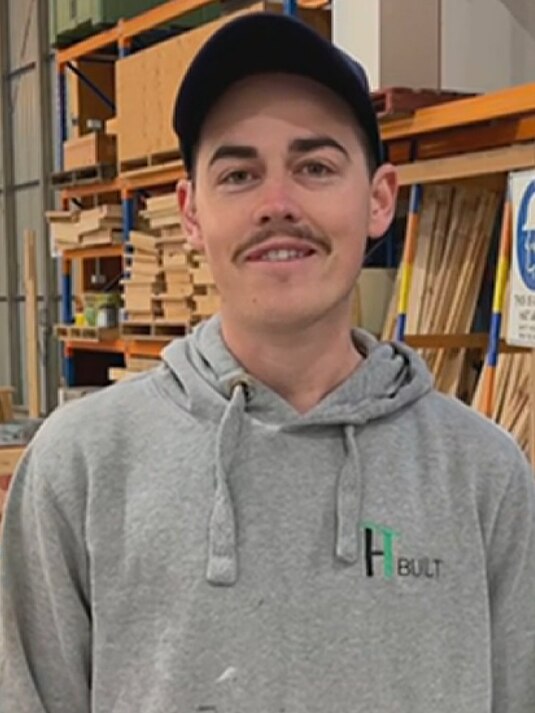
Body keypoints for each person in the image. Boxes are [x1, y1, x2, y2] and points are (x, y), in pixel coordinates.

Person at [1, 12, 535, 713]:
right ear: (190, 212)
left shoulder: (482, 476)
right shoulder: (82, 468)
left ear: (378, 200)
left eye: (314, 167)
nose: (276, 205)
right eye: (238, 173)